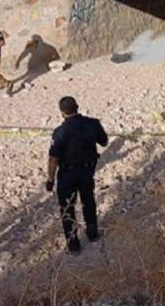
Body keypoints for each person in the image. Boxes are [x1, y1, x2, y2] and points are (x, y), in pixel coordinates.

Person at [46, 96, 109, 255]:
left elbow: (53, 159)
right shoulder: (93, 123)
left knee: (67, 208)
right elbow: (104, 142)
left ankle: (73, 245)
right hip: (87, 171)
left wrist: (50, 179)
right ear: (77, 107)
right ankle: (93, 233)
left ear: (62, 113)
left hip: (67, 174)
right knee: (88, 201)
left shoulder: (59, 132)